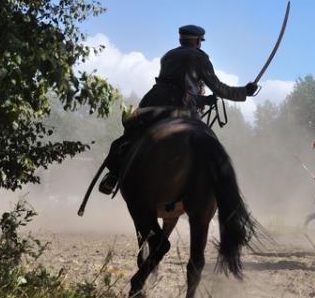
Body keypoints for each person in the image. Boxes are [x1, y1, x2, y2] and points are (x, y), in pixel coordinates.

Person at [98, 25, 258, 194]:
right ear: (198, 41)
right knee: (211, 147)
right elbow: (217, 88)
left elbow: (173, 87)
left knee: (130, 135)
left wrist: (203, 99)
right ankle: (221, 191)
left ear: (181, 40)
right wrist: (245, 92)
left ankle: (113, 175)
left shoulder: (168, 56)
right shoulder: (200, 58)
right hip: (181, 108)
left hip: (152, 102)